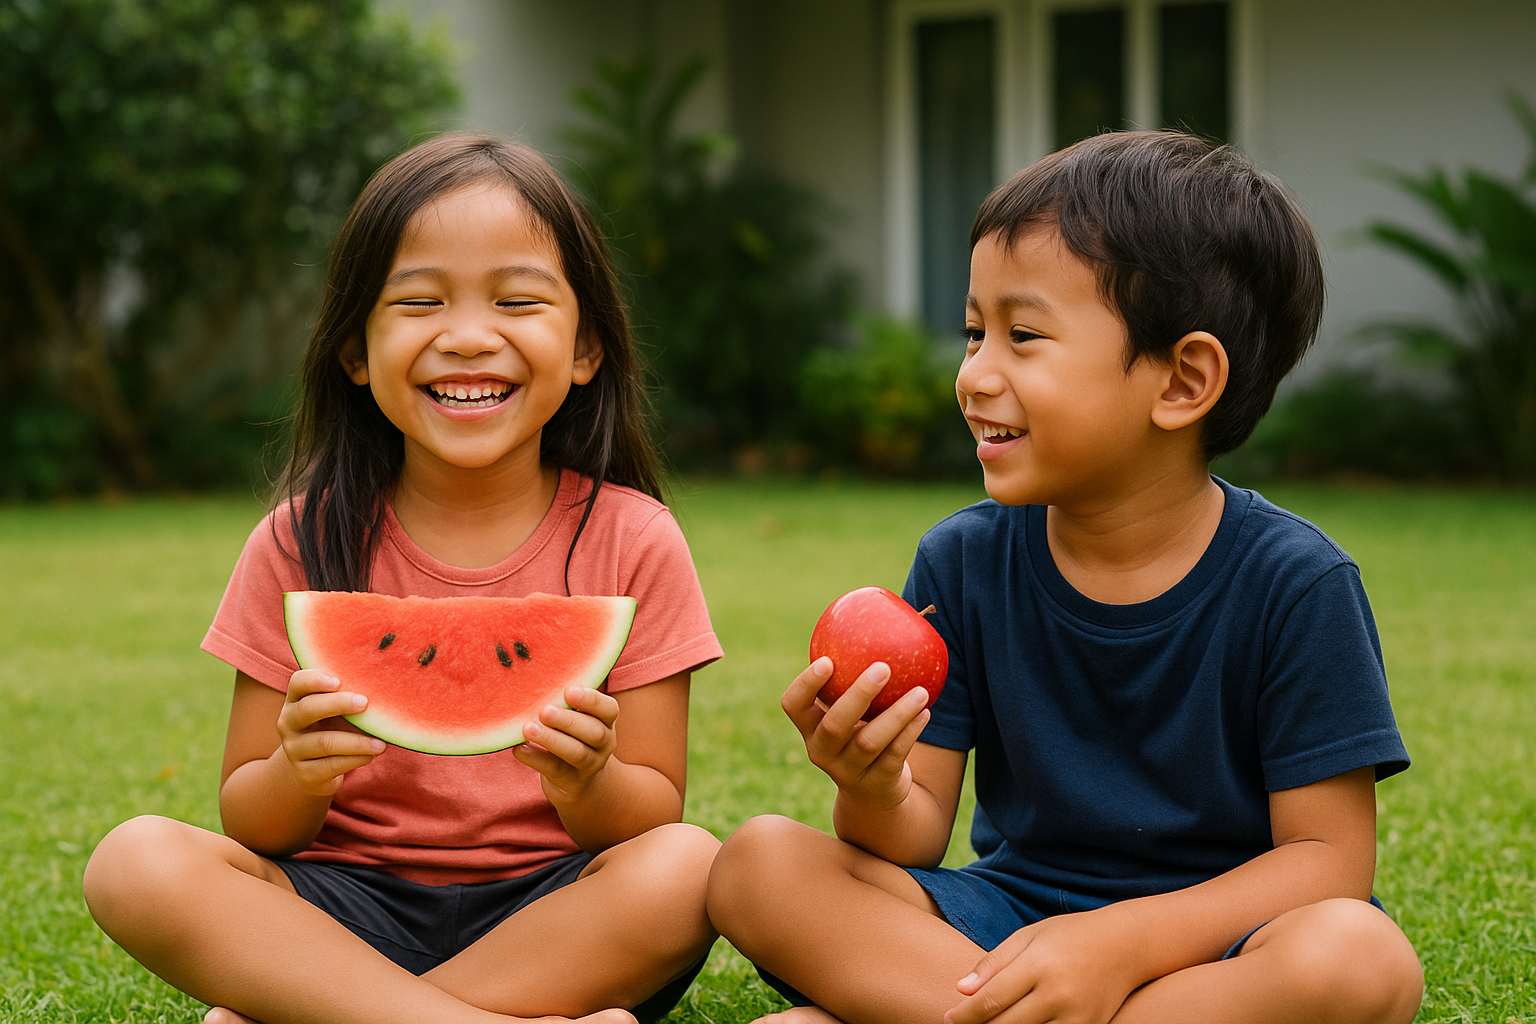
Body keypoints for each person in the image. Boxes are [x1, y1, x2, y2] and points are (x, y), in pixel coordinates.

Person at [706, 131, 1424, 1024]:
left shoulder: (1297, 583)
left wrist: (1121, 944)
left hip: (1214, 943)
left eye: (1023, 336)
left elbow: (1327, 861)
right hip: (1009, 922)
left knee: (1359, 957)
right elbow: (911, 838)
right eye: (974, 333)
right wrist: (870, 782)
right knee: (757, 863)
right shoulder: (962, 561)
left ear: (1182, 381)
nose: (975, 375)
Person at [83, 134, 724, 1024]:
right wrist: (297, 772)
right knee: (135, 859)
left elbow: (651, 814)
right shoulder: (297, 541)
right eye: (419, 301)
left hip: (553, 914)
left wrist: (590, 782)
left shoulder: (634, 540)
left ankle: (325, 1013)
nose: (467, 337)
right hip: (340, 912)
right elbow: (249, 821)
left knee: (689, 865)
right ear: (355, 350)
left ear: (586, 348)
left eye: (516, 300)